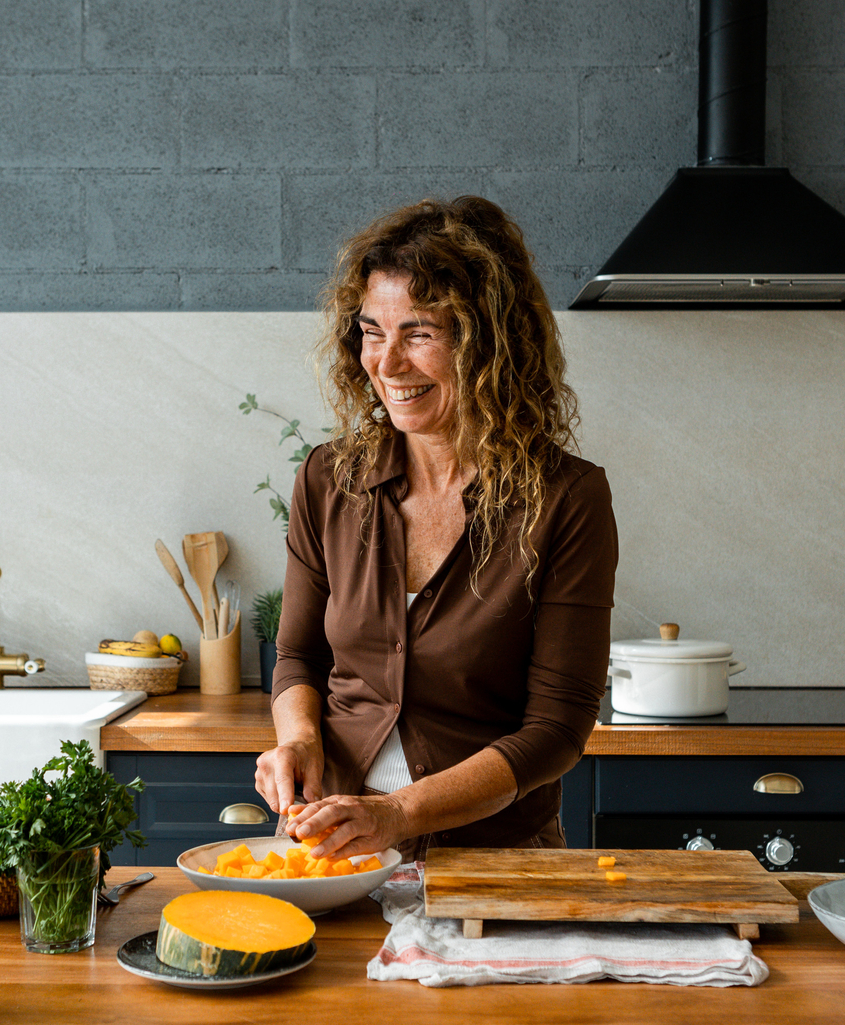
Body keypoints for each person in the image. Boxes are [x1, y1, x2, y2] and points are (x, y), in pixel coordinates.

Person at [256, 195, 618, 862]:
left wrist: (399, 813)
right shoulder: (328, 479)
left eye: (419, 333)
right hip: (336, 848)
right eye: (371, 331)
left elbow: (558, 729)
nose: (387, 363)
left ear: (490, 343)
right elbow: (298, 657)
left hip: (497, 858)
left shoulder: (566, 498)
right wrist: (300, 741)